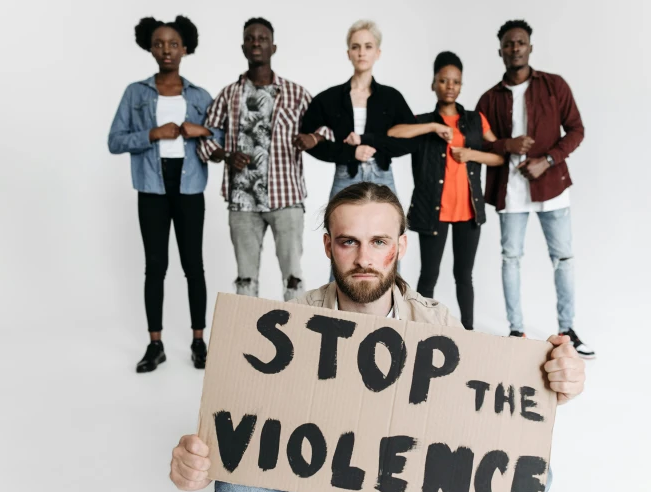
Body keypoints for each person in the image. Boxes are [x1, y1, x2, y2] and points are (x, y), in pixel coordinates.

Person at [168, 182, 587, 492]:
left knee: (534, 475)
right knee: (237, 487)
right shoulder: (288, 322)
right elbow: (244, 422)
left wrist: (551, 381)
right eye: (349, 242)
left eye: (379, 241)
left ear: (400, 248)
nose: (364, 259)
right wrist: (199, 458)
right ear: (328, 246)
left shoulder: (436, 323)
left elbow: (482, 419)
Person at [476, 20, 594, 358]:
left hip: (552, 187)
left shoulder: (554, 86)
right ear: (500, 50)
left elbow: (576, 130)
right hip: (509, 191)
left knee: (564, 258)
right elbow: (479, 144)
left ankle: (567, 330)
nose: (515, 48)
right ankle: (516, 331)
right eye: (509, 44)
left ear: (530, 47)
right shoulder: (488, 99)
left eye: (521, 42)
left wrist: (548, 160)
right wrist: (506, 144)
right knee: (510, 258)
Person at [108, 16, 213, 373]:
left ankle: (199, 342)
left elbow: (221, 140)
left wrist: (202, 130)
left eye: (173, 44)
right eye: (158, 43)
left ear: (185, 48)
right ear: (149, 47)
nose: (166, 50)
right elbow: (115, 140)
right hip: (151, 187)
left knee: (193, 266)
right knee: (155, 267)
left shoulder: (200, 96)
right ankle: (155, 345)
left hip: (189, 187)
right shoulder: (136, 93)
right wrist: (152, 134)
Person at [197, 18, 327, 301]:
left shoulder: (296, 93)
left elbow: (327, 126)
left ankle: (298, 338)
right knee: (245, 278)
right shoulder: (229, 94)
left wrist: (312, 139)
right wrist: (226, 156)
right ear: (243, 47)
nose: (256, 42)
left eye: (262, 38)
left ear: (273, 46)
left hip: (287, 197)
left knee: (293, 275)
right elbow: (205, 140)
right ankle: (245, 340)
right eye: (250, 38)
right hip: (242, 200)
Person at [387, 51, 504, 330]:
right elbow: (392, 133)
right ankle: (421, 331)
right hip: (433, 211)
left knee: (464, 275)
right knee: (429, 275)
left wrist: (471, 154)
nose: (450, 86)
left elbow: (499, 156)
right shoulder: (423, 121)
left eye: (456, 81)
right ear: (433, 84)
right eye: (443, 80)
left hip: (468, 210)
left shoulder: (476, 120)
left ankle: (469, 332)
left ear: (461, 85)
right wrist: (432, 127)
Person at [300, 20, 418, 199]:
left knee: (389, 227)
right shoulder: (329, 98)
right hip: (345, 175)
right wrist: (350, 153)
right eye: (356, 47)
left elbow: (412, 141)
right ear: (348, 53)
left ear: (377, 53)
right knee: (339, 227)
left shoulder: (391, 97)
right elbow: (306, 140)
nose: (362, 52)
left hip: (382, 175)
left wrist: (375, 144)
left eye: (368, 46)